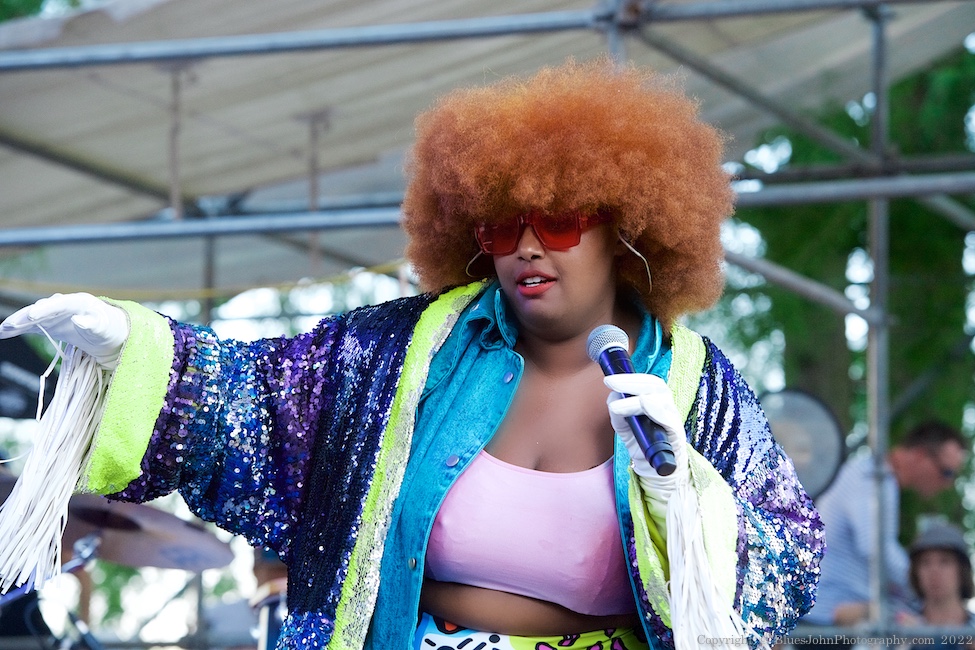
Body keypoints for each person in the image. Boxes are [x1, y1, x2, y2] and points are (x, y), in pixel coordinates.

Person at [0, 58, 823, 650]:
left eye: (558, 222)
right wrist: (139, 351)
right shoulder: (402, 351)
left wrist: (687, 496)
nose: (526, 248)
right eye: (501, 226)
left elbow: (786, 567)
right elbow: (255, 403)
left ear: (626, 229)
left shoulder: (697, 388)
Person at [803, 421, 967, 630]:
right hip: (826, 619)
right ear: (920, 455)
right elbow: (875, 547)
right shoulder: (872, 477)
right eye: (946, 473)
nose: (948, 484)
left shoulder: (880, 478)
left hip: (836, 614)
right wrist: (923, 584)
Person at [899, 522, 975, 650]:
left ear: (962, 570)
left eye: (945, 561)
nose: (934, 571)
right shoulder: (899, 627)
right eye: (925, 562)